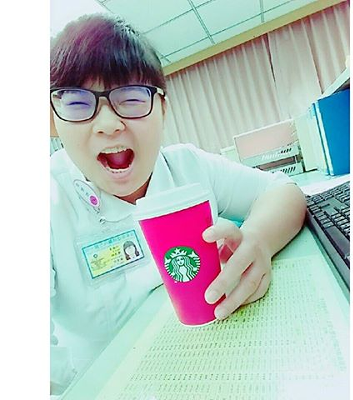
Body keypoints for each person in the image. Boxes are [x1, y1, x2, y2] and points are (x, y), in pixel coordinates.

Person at [50, 13, 306, 395]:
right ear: (53, 120)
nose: (108, 124)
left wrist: (258, 240)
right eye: (76, 103)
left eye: (131, 98)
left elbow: (284, 192)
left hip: (217, 362)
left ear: (163, 109)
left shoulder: (188, 166)